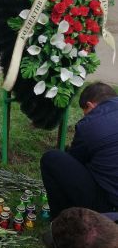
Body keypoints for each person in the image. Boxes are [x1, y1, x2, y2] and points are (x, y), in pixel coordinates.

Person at [41, 82, 118, 218]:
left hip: (110, 207)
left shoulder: (91, 123)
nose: (85, 116)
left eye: (85, 113)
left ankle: (63, 222)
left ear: (90, 105)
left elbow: (76, 160)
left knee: (52, 159)